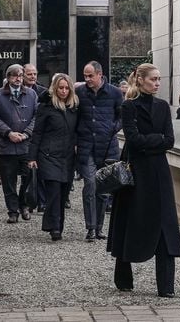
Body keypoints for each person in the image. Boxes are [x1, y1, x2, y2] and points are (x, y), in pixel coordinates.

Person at [107, 63, 180, 298]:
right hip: (136, 173)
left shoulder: (163, 107)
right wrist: (155, 140)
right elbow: (133, 139)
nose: (157, 83)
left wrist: (150, 141)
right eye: (153, 79)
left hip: (159, 172)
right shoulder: (129, 106)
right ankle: (123, 276)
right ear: (140, 80)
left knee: (165, 225)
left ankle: (166, 286)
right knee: (130, 220)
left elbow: (169, 140)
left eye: (159, 79)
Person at [76, 61, 123, 242]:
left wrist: (112, 128)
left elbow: (122, 116)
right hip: (87, 146)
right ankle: (90, 228)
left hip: (108, 147)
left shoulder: (115, 92)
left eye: (90, 76)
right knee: (90, 185)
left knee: (103, 189)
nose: (86, 79)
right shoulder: (80, 92)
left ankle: (100, 228)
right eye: (85, 76)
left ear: (99, 74)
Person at [28, 74, 78, 241]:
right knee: (54, 191)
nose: (63, 91)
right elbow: (38, 132)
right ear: (55, 89)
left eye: (66, 88)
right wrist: (32, 157)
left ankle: (56, 225)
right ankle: (54, 227)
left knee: (63, 193)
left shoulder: (74, 108)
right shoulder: (46, 107)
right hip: (48, 155)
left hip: (68, 156)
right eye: (60, 88)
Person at [0, 64, 38, 224]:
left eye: (20, 75)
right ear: (8, 77)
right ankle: (12, 211)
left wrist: (26, 134)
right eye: (14, 75)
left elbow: (36, 117)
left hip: (26, 145)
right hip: (6, 145)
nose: (18, 78)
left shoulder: (31, 94)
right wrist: (9, 133)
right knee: (8, 181)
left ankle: (23, 204)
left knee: (28, 178)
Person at [23, 63, 49, 212]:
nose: (33, 77)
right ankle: (28, 200)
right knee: (27, 172)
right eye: (29, 74)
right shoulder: (18, 91)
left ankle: (42, 201)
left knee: (40, 170)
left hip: (40, 135)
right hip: (24, 135)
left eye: (35, 74)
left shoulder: (43, 92)